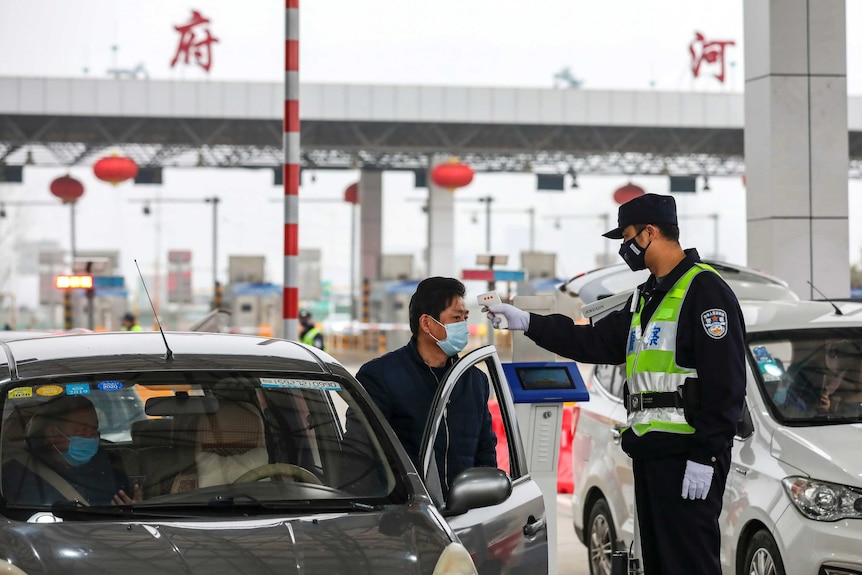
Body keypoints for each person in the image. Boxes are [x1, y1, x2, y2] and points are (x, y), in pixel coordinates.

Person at [486, 193, 746, 575]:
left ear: (650, 233)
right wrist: (527, 321)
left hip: (686, 455)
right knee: (660, 564)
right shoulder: (646, 296)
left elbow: (726, 385)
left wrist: (705, 456)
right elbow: (593, 341)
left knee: (689, 563)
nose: (625, 248)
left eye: (627, 237)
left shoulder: (705, 291)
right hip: (650, 452)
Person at [354, 277, 496, 498]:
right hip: (407, 516)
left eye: (465, 318)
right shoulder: (381, 377)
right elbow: (362, 454)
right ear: (427, 324)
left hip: (465, 518)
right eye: (456, 318)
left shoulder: (474, 380)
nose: (464, 327)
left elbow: (485, 454)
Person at [2, 395, 142, 506]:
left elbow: (126, 509)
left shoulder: (111, 466)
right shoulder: (15, 475)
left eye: (94, 428)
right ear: (52, 434)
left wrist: (133, 509)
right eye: (82, 430)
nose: (91, 436)